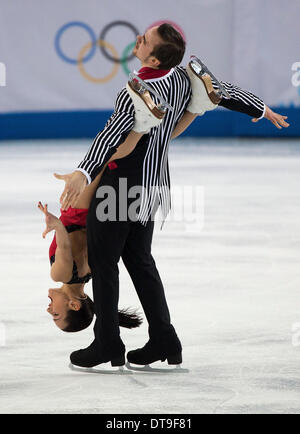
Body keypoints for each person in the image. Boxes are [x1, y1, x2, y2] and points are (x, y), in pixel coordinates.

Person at [55, 23, 289, 369]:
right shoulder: (181, 79)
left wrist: (84, 171)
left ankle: (107, 344)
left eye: (144, 39)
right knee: (140, 261)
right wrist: (260, 108)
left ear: (152, 54)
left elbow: (112, 134)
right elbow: (221, 91)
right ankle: (165, 339)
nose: (138, 38)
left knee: (105, 266)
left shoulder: (137, 91)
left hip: (120, 186)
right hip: (152, 186)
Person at [39, 132, 145, 333]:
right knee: (105, 156)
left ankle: (192, 111)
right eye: (55, 314)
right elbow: (64, 246)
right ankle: (142, 125)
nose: (48, 309)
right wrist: (56, 225)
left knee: (123, 154)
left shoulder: (91, 273)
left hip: (101, 214)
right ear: (74, 305)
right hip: (78, 209)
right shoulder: (59, 274)